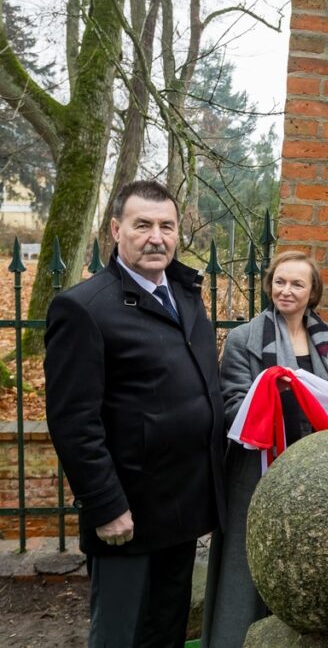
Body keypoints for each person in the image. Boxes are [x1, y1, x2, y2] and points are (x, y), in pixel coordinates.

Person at [44, 180, 226, 647]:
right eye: (142, 224)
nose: (156, 237)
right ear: (115, 230)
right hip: (127, 514)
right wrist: (106, 506)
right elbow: (73, 421)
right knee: (120, 637)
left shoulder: (186, 295)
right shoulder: (84, 309)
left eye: (166, 226)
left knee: (165, 633)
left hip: (183, 508)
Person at [202, 250, 328, 647]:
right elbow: (231, 407)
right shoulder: (245, 338)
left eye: (297, 283)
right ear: (269, 285)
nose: (287, 290)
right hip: (257, 468)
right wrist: (271, 397)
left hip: (314, 472)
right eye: (280, 281)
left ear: (312, 291)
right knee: (247, 565)